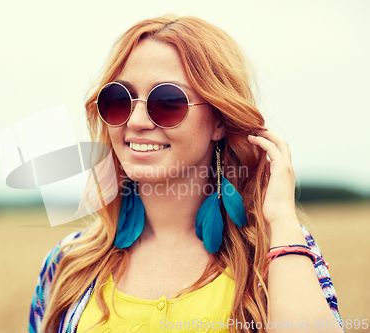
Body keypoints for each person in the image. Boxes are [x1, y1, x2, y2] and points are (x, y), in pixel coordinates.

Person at [29, 15, 343, 333]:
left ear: (219, 121)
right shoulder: (68, 265)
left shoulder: (277, 251)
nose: (136, 121)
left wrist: (282, 221)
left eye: (167, 101)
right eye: (118, 100)